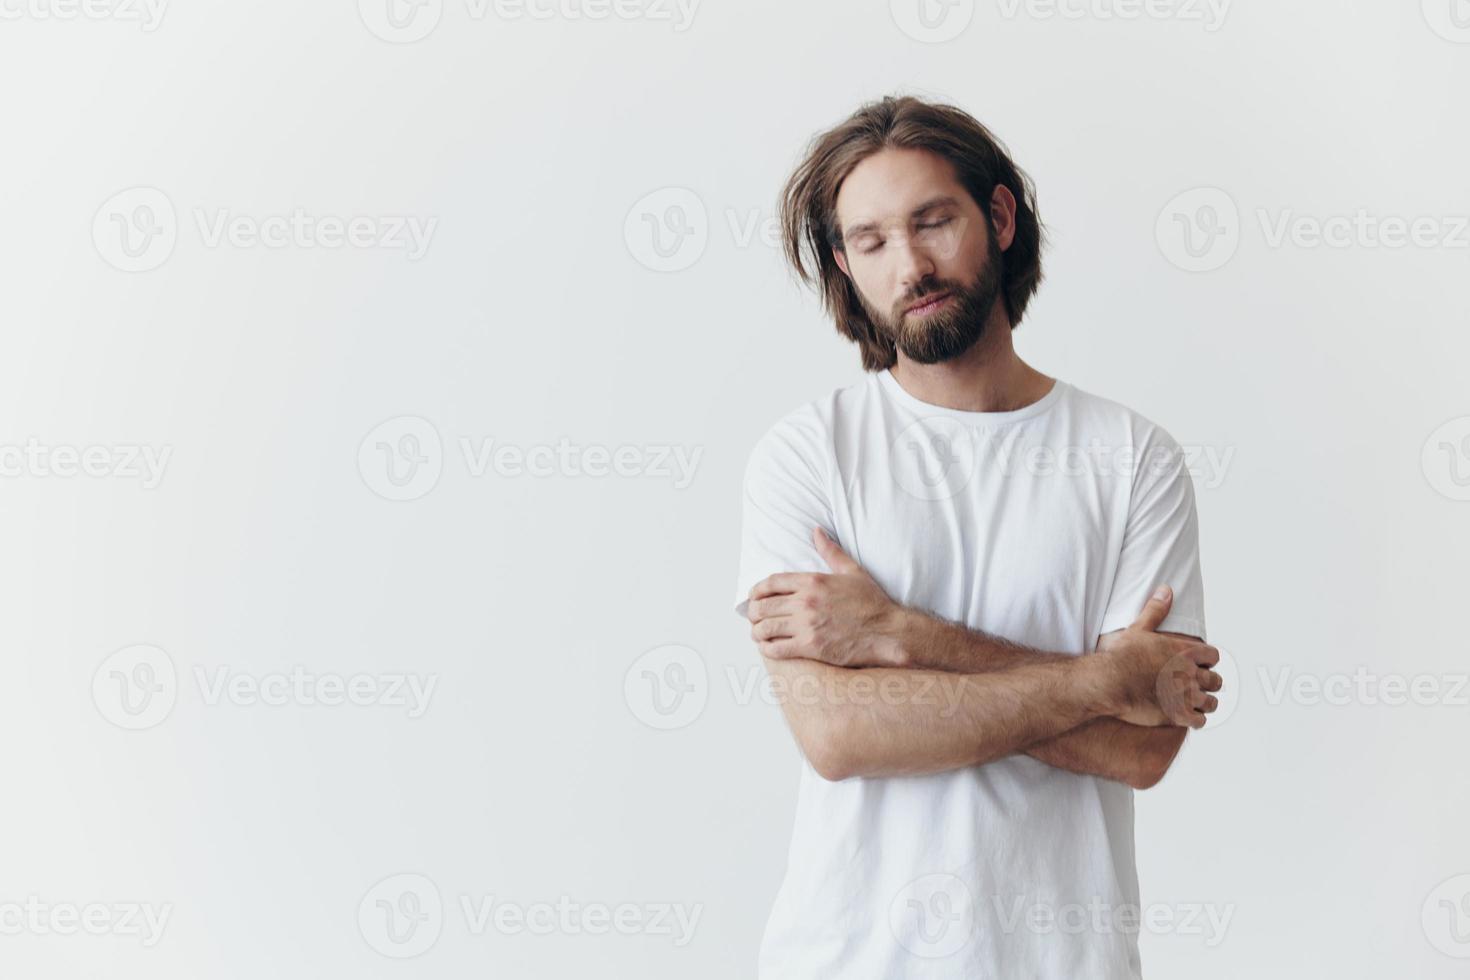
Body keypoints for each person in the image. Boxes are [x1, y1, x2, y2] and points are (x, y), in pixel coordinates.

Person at [733, 94, 1225, 979]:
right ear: (845, 263)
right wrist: (1099, 681)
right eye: (874, 241)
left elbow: (1143, 747)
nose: (911, 264)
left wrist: (899, 635)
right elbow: (841, 737)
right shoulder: (808, 455)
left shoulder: (1130, 458)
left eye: (933, 222)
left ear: (998, 218)